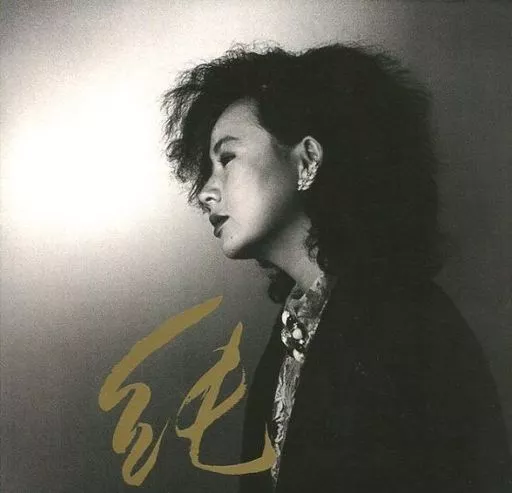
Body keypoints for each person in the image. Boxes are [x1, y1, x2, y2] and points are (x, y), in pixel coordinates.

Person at [162, 43, 511, 492]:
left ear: (307, 160)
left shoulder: (407, 323)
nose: (205, 192)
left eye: (227, 158)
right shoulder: (293, 333)